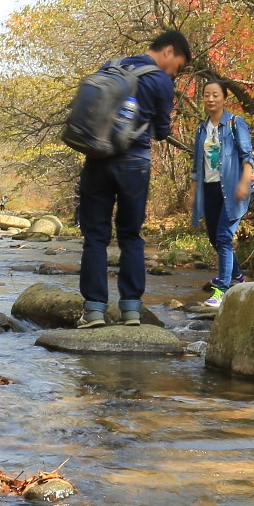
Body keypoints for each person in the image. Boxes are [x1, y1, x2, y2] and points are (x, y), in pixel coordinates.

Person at [76, 30, 190, 328]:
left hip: (98, 160)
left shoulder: (111, 67)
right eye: (177, 65)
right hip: (134, 165)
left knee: (96, 238)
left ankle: (94, 311)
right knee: (130, 236)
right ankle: (130, 310)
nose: (174, 72)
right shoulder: (160, 80)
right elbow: (162, 130)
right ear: (168, 51)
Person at [189, 79, 254, 307]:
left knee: (223, 237)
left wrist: (243, 182)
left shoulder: (235, 124)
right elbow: (196, 166)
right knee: (215, 238)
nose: (211, 99)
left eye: (215, 95)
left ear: (224, 99)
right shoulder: (201, 129)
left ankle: (222, 290)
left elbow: (247, 155)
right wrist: (192, 193)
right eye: (207, 95)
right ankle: (238, 276)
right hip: (209, 189)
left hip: (233, 188)